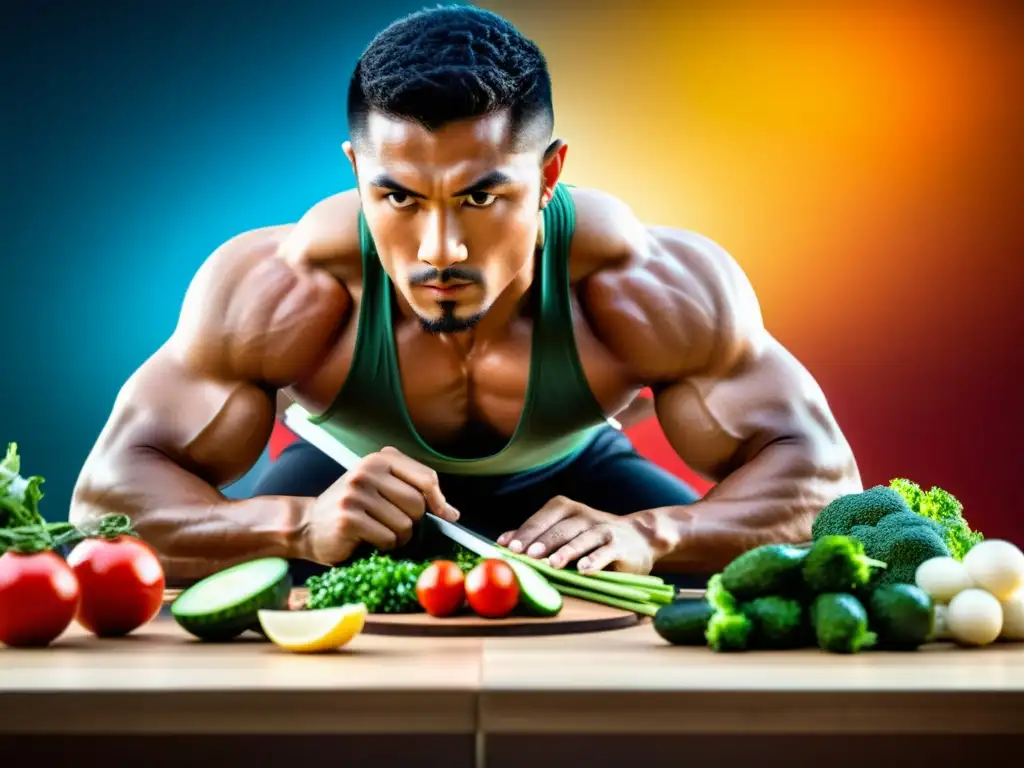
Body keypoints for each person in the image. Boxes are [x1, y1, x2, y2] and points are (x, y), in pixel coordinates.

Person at [70, 6, 862, 587]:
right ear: (356, 173)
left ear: (547, 176)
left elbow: (825, 485)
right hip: (345, 481)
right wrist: (299, 525)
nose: (440, 250)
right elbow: (104, 501)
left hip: (579, 479)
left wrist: (654, 534)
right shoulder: (282, 287)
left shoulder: (643, 284)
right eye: (401, 198)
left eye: (480, 199)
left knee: (716, 587)